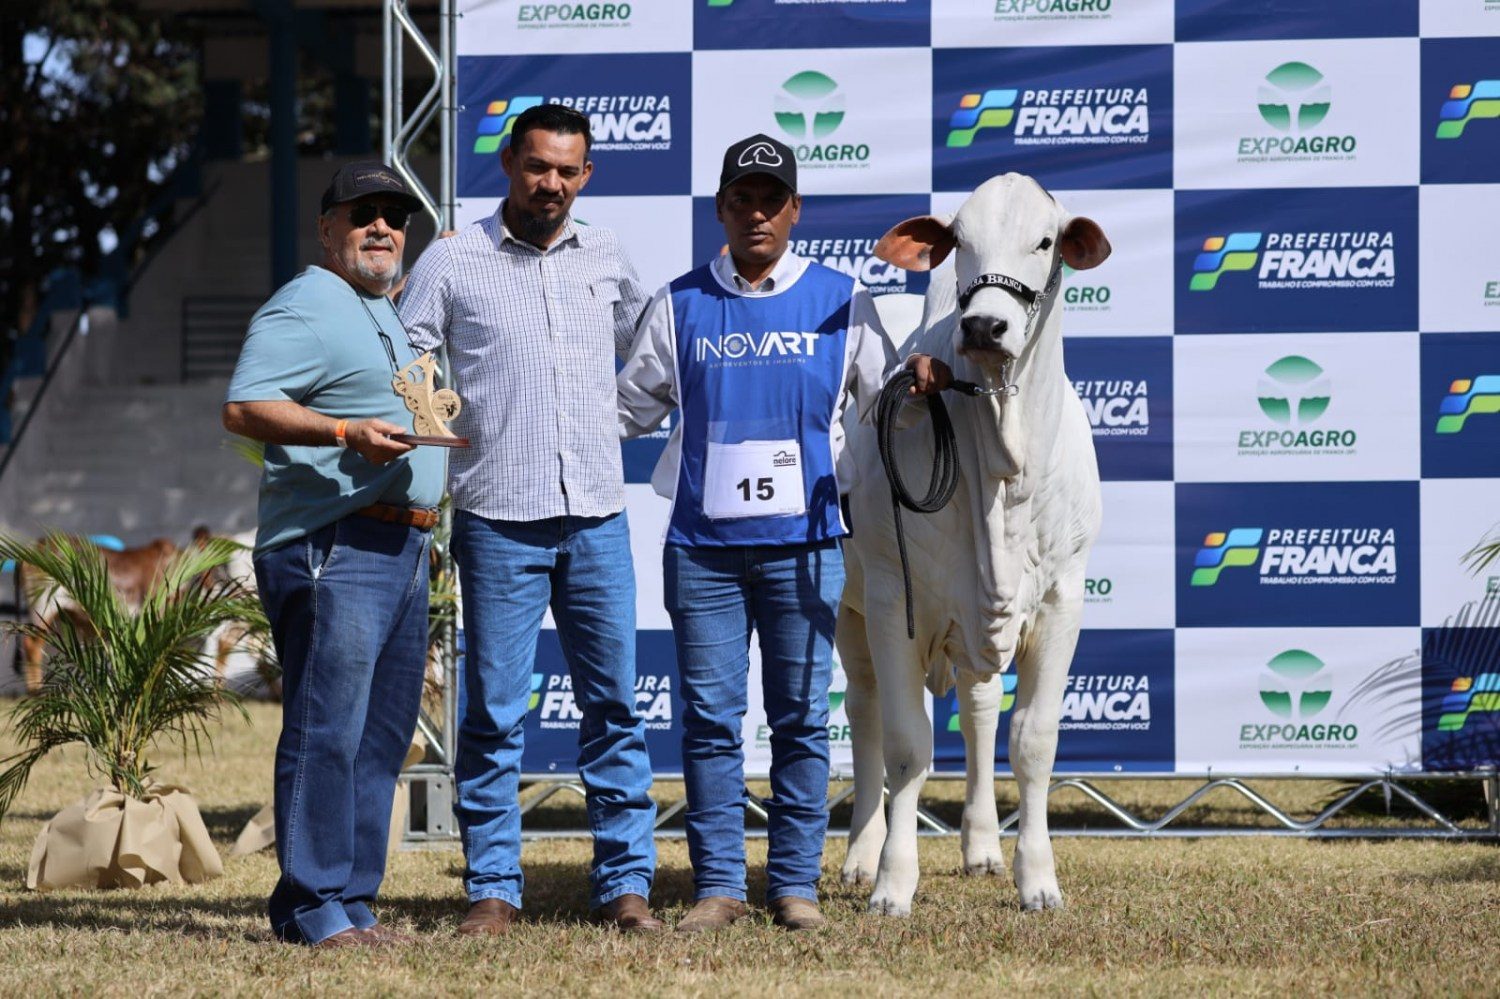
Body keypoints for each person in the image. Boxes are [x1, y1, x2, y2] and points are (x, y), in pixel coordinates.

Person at [616, 133, 950, 932]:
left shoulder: (840, 298)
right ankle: (720, 887)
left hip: (806, 546)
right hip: (701, 550)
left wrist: (920, 378)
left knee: (800, 716)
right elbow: (626, 409)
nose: (756, 213)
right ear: (721, 209)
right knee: (709, 717)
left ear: (795, 211)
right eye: (742, 199)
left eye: (772, 200)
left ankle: (793, 885)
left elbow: (887, 399)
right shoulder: (680, 301)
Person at [399, 103, 661, 935]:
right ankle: (493, 889)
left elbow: (657, 353)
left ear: (587, 176)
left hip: (596, 516)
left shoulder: (609, 254)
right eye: (538, 165)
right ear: (509, 162)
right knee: (494, 713)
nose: (551, 183)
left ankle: (625, 885)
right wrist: (435, 445)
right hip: (496, 517)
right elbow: (407, 363)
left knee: (614, 704)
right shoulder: (453, 259)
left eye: (567, 170)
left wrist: (605, 420)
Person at [222, 161, 445, 948]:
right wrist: (344, 431)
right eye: (362, 213)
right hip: (336, 542)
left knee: (380, 734)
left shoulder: (378, 308)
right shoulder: (309, 299)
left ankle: (349, 898)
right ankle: (311, 903)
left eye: (394, 213)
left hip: (400, 540)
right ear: (327, 229)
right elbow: (244, 406)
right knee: (327, 729)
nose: (381, 225)